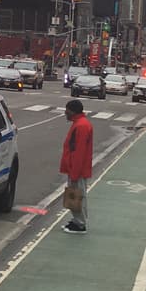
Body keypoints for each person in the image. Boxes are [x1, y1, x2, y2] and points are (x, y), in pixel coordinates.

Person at [60, 99, 94, 234]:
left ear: (72, 111)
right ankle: (77, 220)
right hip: (75, 167)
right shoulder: (80, 124)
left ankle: (80, 224)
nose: (65, 113)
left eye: (67, 110)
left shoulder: (81, 126)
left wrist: (74, 173)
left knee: (78, 195)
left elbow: (79, 151)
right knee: (75, 195)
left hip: (77, 168)